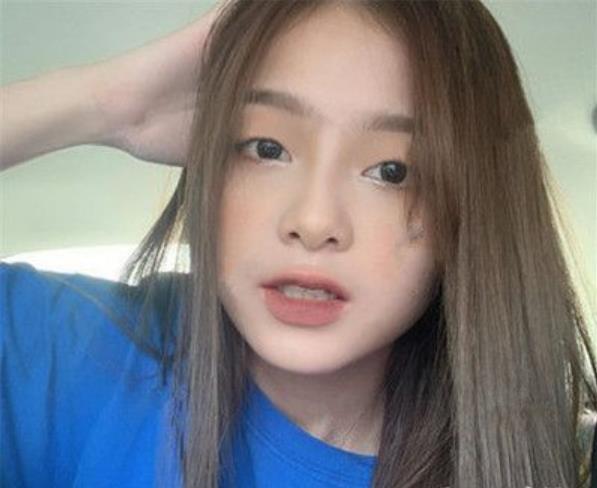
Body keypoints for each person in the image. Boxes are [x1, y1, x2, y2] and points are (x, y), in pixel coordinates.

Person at [1, 0, 596, 487]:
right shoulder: (83, 356)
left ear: (472, 209)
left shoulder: (557, 462)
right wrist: (107, 105)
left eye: (392, 172)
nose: (313, 221)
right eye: (267, 148)